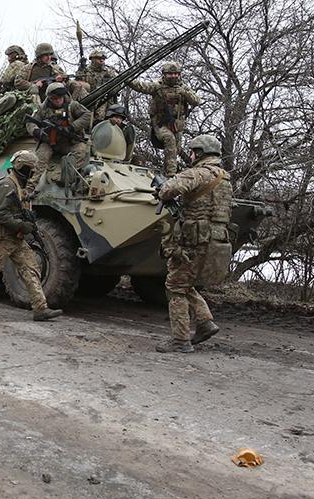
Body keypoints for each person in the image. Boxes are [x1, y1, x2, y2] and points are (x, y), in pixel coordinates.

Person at [154, 134, 232, 353]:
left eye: (192, 151)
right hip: (215, 240)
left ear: (199, 153)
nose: (189, 155)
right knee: (184, 282)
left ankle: (180, 340)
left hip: (195, 240)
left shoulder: (199, 173)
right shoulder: (224, 178)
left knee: (174, 286)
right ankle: (205, 322)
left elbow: (168, 189)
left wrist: (163, 190)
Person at [0, 150, 63, 322]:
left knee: (31, 270)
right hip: (3, 239)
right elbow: (1, 215)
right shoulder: (6, 185)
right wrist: (22, 225)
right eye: (30, 169)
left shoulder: (18, 186)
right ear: (20, 167)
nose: (32, 173)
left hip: (16, 239)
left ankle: (40, 308)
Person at [128, 61, 200, 176]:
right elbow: (141, 86)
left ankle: (178, 170)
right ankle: (171, 175)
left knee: (176, 149)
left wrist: (185, 93)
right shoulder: (157, 86)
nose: (173, 76)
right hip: (161, 124)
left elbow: (196, 101)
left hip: (177, 126)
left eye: (176, 74)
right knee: (169, 139)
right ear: (164, 74)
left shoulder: (183, 88)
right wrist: (128, 79)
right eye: (170, 74)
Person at [24, 82, 92, 190]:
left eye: (60, 97)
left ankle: (66, 178)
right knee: (39, 159)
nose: (58, 100)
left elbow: (88, 115)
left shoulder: (72, 105)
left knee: (82, 150)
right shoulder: (42, 108)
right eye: (54, 98)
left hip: (70, 143)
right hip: (49, 142)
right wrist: (37, 131)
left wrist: (72, 127)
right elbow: (30, 122)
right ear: (49, 98)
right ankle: (29, 187)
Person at [77, 49, 118, 121]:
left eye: (103, 59)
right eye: (99, 58)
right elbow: (78, 82)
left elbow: (117, 83)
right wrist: (80, 69)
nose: (102, 60)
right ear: (92, 59)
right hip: (89, 99)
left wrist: (112, 89)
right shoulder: (86, 71)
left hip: (105, 99)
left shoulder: (108, 73)